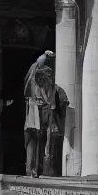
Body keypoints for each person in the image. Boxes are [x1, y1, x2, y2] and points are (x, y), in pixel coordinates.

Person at [23, 50, 56, 178]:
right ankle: (35, 169)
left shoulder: (36, 69)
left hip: (32, 114)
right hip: (37, 114)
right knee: (38, 143)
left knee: (33, 143)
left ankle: (31, 169)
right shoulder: (40, 66)